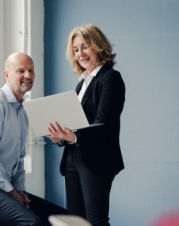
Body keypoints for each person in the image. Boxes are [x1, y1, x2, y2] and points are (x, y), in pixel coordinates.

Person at [0, 52, 68, 226]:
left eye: (31, 70)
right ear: (6, 74)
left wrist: (20, 191)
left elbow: (19, 160)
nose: (28, 75)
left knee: (61, 217)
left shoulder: (21, 111)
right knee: (31, 223)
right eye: (21, 71)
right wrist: (10, 192)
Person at [46, 24, 125, 226]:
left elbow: (104, 123)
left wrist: (73, 137)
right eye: (76, 49)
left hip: (97, 159)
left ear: (98, 46)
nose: (80, 53)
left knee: (95, 221)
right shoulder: (82, 84)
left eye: (85, 46)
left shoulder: (110, 78)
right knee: (75, 222)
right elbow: (77, 124)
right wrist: (61, 136)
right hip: (73, 158)